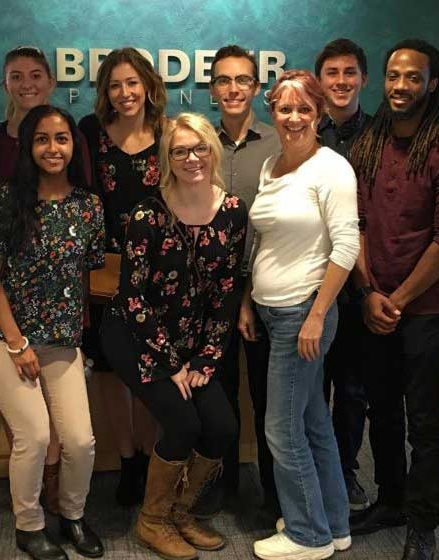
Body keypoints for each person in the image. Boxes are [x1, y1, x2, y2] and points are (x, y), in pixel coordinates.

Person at [345, 39, 439, 560]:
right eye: (393, 75)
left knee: (424, 421)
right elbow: (352, 222)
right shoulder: (370, 141)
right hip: (372, 301)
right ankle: (392, 500)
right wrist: (367, 291)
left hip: (423, 310)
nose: (400, 86)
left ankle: (422, 524)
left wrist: (394, 298)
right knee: (381, 410)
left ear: (434, 83)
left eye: (413, 77)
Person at [100, 112, 246, 560]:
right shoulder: (149, 213)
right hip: (133, 334)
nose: (191, 157)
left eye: (199, 147)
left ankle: (181, 511)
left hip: (193, 343)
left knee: (221, 427)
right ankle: (151, 520)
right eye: (179, 150)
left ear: (212, 150)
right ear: (167, 157)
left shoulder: (234, 212)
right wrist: (170, 363)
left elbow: (226, 292)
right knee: (183, 423)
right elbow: (132, 297)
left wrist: (204, 361)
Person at [0, 105, 104, 560]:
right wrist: (16, 342)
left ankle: (72, 516)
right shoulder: (10, 200)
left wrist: (78, 336)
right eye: (43, 139)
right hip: (0, 335)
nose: (53, 148)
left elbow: (84, 276)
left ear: (73, 145)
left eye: (62, 138)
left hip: (61, 339)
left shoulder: (88, 205)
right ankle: (28, 526)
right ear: (29, 147)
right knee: (34, 434)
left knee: (82, 440)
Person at [243, 70, 358, 560]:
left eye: (304, 109)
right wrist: (249, 298)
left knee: (280, 429)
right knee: (313, 423)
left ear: (320, 113)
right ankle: (333, 524)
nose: (293, 118)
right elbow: (265, 240)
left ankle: (307, 536)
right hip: (271, 311)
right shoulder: (273, 165)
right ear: (273, 112)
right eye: (284, 109)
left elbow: (347, 246)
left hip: (302, 316)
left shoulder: (331, 169)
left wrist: (316, 315)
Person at [194, 43, 281, 520]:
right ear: (212, 89)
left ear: (256, 87)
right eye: (223, 80)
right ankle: (218, 486)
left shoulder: (277, 143)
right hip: (208, 296)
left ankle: (272, 492)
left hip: (262, 292)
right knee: (216, 393)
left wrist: (247, 294)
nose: (232, 88)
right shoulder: (196, 141)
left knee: (268, 399)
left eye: (242, 80)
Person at [78, 46, 165, 507]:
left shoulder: (169, 131)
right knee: (112, 371)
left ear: (148, 86)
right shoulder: (91, 133)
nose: (125, 92)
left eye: (132, 83)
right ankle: (128, 461)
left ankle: (153, 461)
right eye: (115, 85)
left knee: (152, 368)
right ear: (105, 92)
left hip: (158, 272)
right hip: (107, 272)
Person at [314, 37, 373, 514]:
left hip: (360, 285)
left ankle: (346, 471)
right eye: (331, 72)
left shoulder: (380, 136)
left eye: (349, 72)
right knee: (313, 387)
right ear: (320, 80)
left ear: (363, 79)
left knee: (353, 388)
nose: (340, 81)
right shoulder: (301, 134)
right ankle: (315, 468)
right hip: (311, 284)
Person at [0, 46, 56, 206]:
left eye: (36, 76)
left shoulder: (71, 137)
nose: (26, 84)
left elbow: (81, 198)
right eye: (16, 77)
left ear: (50, 83)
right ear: (6, 86)